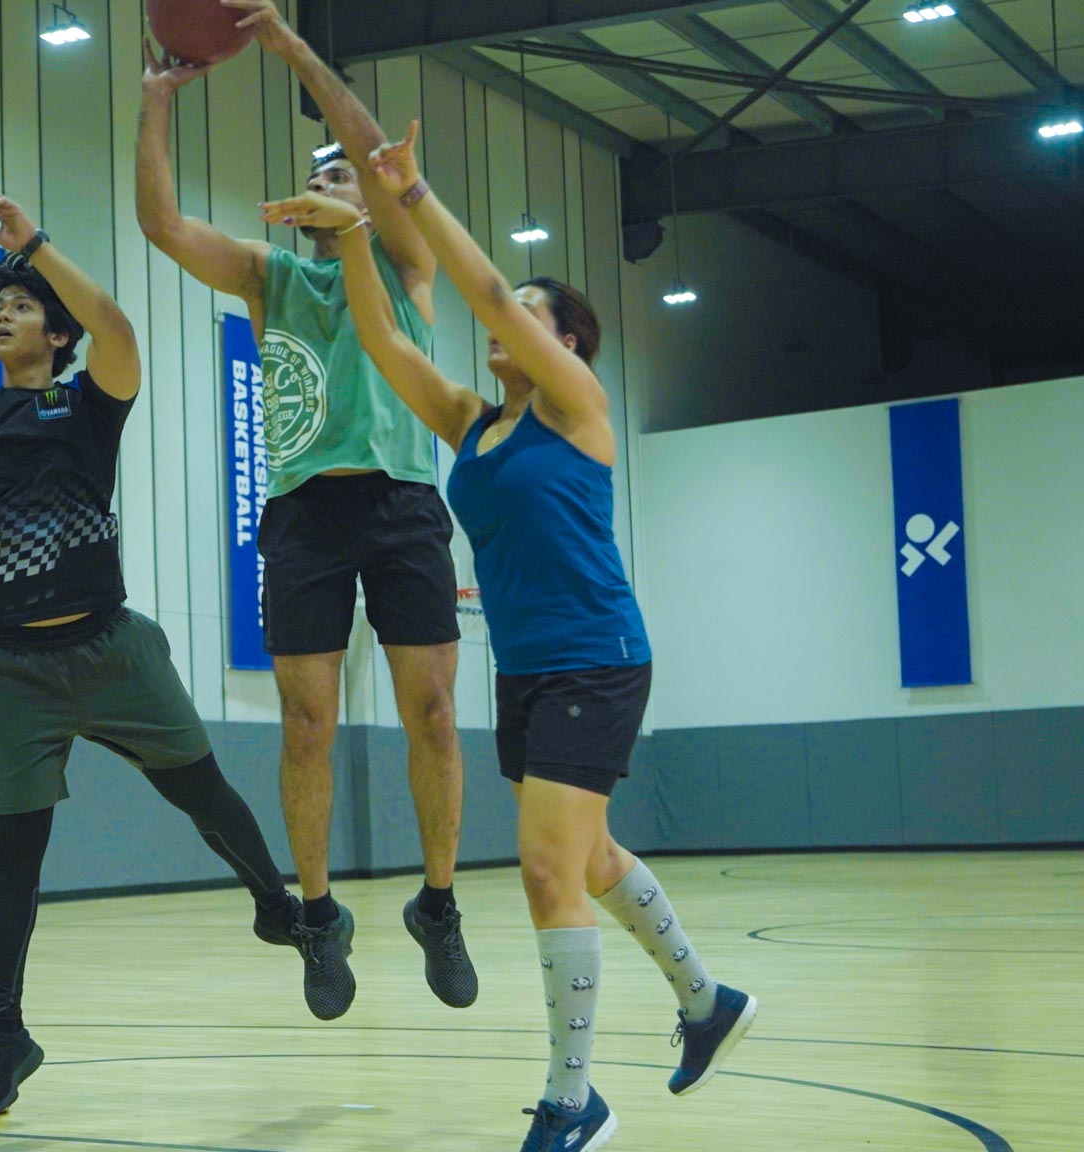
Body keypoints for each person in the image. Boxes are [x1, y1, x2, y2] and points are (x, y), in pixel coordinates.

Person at [261, 123, 758, 1152]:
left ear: (565, 344)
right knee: (596, 857)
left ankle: (573, 1103)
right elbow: (386, 342)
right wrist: (356, 234)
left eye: (535, 315)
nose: (508, 321)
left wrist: (407, 193)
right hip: (526, 672)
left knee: (545, 870)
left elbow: (482, 292)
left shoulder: (577, 407)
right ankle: (707, 1004)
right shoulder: (473, 424)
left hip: (597, 657)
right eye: (513, 311)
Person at [0, 190, 303, 1121]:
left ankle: (283, 907)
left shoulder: (87, 405)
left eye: (24, 305)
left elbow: (118, 323)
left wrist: (38, 245)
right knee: (11, 857)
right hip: (5, 668)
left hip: (109, 644)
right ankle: (4, 1037)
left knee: (200, 791)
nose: (5, 311)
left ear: (57, 331)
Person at [135, 0, 473, 1021]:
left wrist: (288, 48)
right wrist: (154, 103)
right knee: (304, 727)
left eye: (345, 178)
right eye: (318, 176)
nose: (332, 183)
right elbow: (160, 224)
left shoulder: (405, 267)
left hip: (403, 501)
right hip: (302, 517)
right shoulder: (266, 275)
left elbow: (379, 157)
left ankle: (439, 905)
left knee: (432, 713)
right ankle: (318, 916)